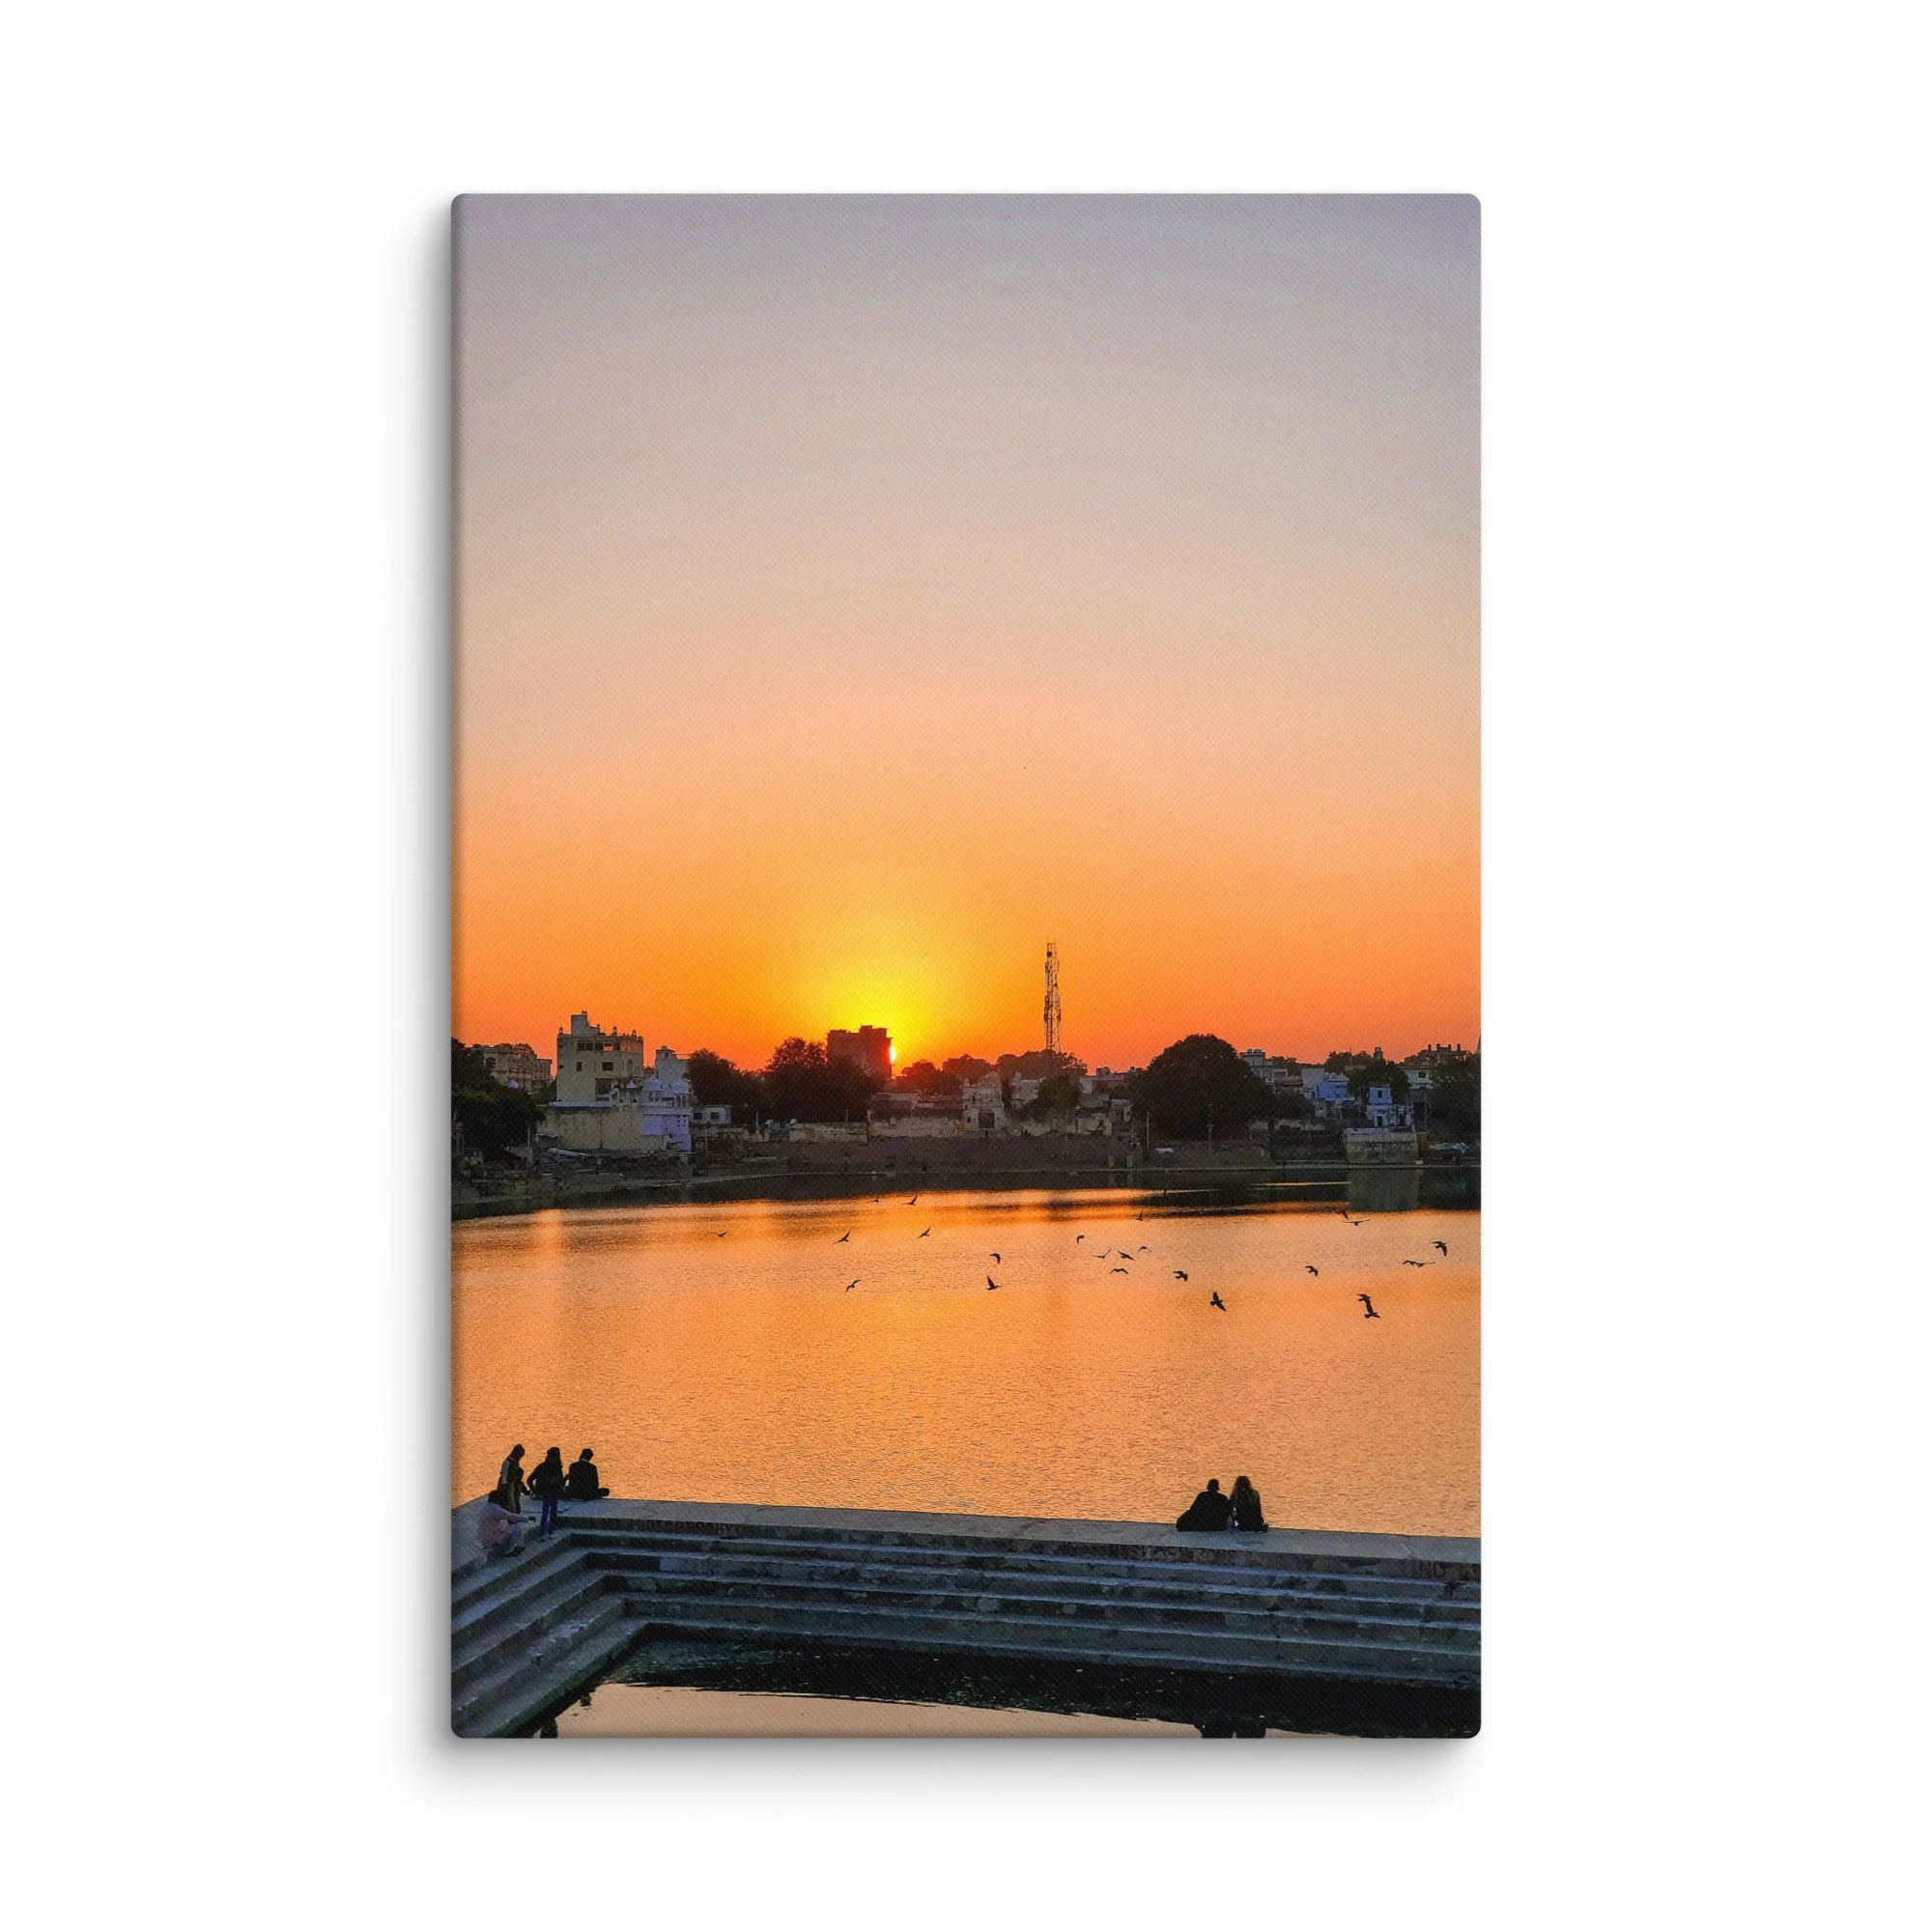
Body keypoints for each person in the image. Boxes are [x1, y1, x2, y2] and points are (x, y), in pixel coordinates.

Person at [529, 1446, 567, 1538]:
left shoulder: (556, 1467)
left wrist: (565, 1479)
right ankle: (544, 1532)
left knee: (552, 1513)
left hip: (553, 1492)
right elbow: (530, 1479)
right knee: (546, 1513)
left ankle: (549, 1531)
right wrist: (535, 1490)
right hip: (546, 1492)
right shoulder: (543, 1467)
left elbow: (560, 1482)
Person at [476, 1494, 528, 1560]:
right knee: (516, 1527)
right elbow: (512, 1517)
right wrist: (527, 1518)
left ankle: (516, 1545)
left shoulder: (484, 1508)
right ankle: (509, 1551)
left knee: (504, 1523)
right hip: (489, 1540)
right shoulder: (496, 1510)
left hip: (482, 1537)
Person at [496, 1444, 528, 1515]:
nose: (520, 1458)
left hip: (512, 1483)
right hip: (505, 1485)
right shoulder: (507, 1462)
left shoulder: (516, 1461)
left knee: (513, 1502)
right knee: (506, 1502)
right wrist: (505, 1488)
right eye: (520, 1455)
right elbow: (504, 1477)